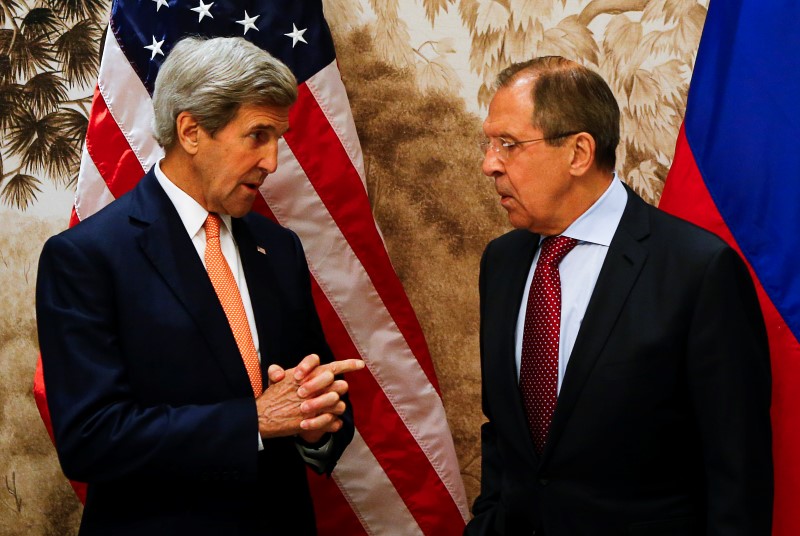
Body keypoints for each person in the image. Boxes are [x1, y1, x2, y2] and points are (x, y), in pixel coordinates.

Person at [36, 36, 364, 536]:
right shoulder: (86, 258)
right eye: (257, 135)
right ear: (190, 130)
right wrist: (252, 421)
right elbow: (90, 439)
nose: (273, 161)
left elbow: (307, 389)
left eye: (279, 137)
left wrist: (319, 422)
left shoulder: (279, 250)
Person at [466, 57, 773, 535]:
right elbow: (505, 434)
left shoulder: (697, 270)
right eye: (489, 144)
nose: (489, 164)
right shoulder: (502, 262)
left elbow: (737, 469)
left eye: (508, 144)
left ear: (578, 153)